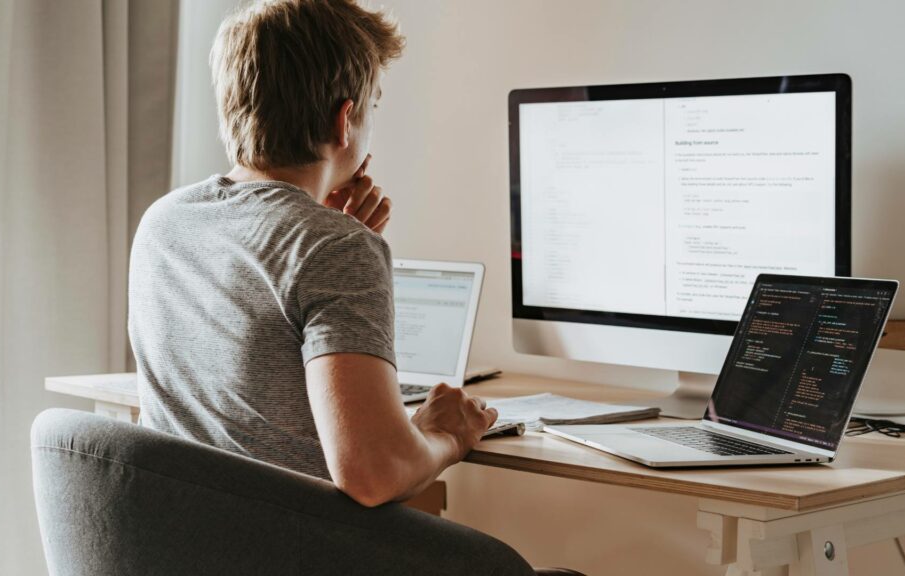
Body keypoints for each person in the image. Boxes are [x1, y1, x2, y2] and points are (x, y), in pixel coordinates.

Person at [128, 1, 581, 574]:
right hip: (296, 553)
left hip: (191, 550)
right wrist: (444, 434)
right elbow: (373, 473)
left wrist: (328, 228)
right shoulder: (333, 246)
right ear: (345, 121)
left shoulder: (164, 223)